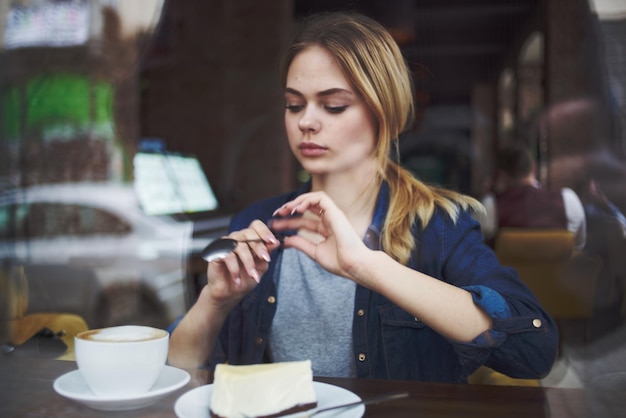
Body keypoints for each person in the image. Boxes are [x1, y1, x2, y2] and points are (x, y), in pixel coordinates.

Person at [168, 12, 558, 383]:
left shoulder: (438, 226)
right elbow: (177, 370)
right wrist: (215, 302)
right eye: (294, 105)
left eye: (333, 105)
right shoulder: (258, 223)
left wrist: (369, 268)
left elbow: (534, 351)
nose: (306, 121)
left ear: (382, 111)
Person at [479, 141, 586, 249]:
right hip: (556, 266)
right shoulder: (568, 199)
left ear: (502, 175)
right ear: (533, 168)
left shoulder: (492, 206)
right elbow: (578, 246)